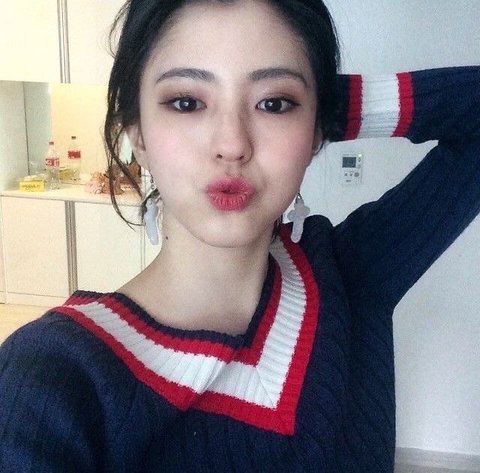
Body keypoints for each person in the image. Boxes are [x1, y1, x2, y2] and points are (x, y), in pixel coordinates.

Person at [0, 0, 479, 471]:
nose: (232, 145)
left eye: (275, 103)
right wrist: (298, 99)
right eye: (186, 102)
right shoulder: (52, 378)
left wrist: (323, 103)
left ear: (316, 130)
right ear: (137, 132)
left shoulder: (350, 274)